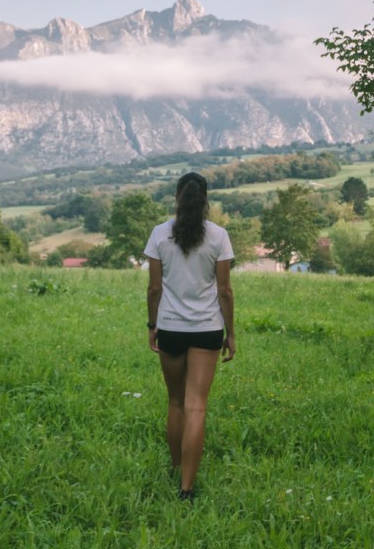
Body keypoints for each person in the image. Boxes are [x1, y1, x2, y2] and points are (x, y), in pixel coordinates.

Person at [144, 171, 235, 501]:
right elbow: (224, 290)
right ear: (205, 199)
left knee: (176, 401)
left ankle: (175, 467)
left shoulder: (159, 234)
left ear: (177, 198)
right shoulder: (218, 236)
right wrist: (232, 333)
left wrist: (152, 326)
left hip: (170, 327)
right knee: (197, 407)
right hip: (208, 328)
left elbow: (154, 287)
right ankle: (187, 488)